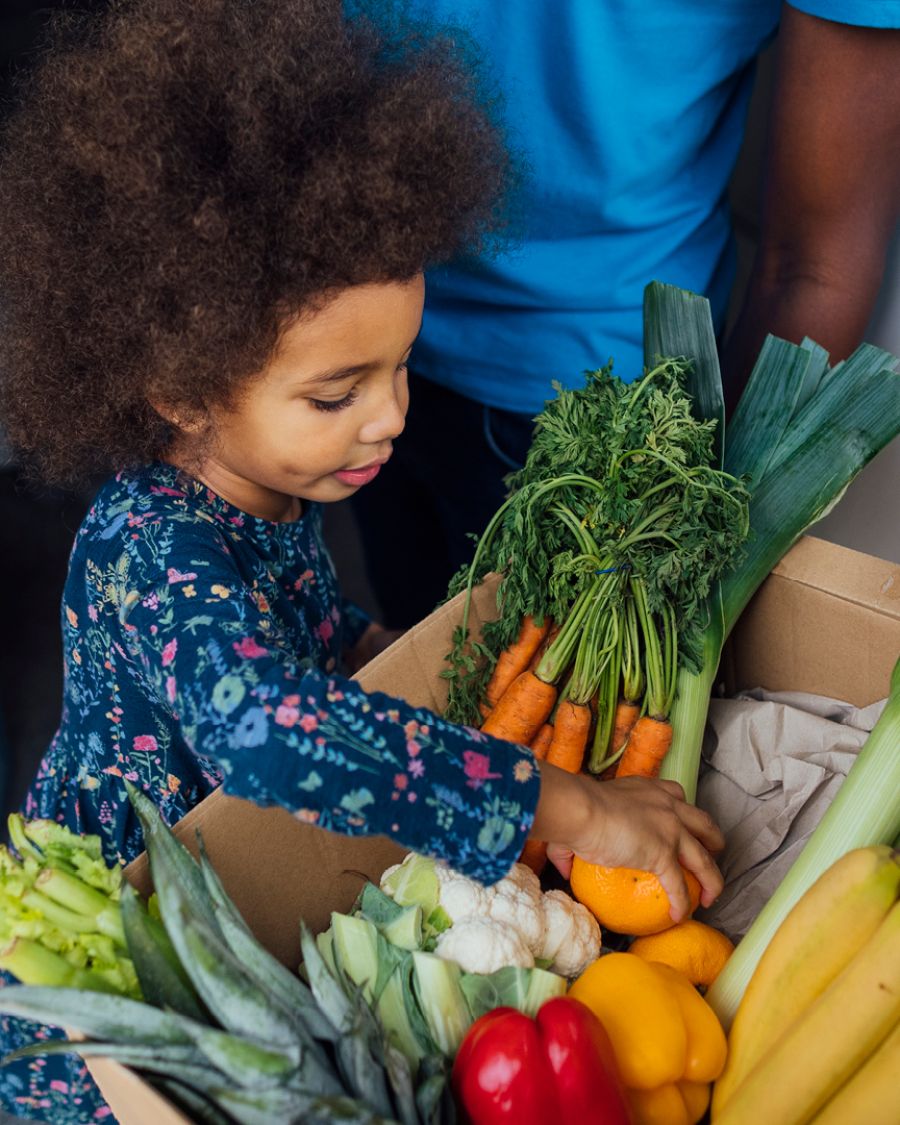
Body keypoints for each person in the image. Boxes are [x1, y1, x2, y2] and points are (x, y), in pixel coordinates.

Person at [0, 0, 724, 1118]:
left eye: (399, 367)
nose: (388, 418)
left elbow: (307, 630)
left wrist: (392, 653)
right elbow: (260, 731)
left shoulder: (266, 491)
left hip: (253, 898)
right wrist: (565, 805)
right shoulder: (149, 545)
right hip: (127, 983)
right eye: (336, 394)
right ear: (181, 390)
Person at [351, 0, 900, 629]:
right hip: (337, 331)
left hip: (593, 417)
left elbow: (815, 265)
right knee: (400, 658)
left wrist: (698, 527)